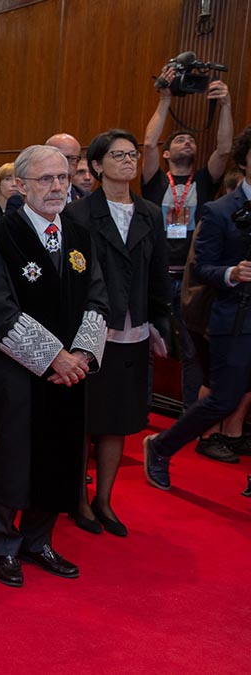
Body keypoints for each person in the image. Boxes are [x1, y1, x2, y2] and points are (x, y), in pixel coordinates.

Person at [0, 144, 108, 588]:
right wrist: (54, 357)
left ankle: (38, 538)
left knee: (60, 451)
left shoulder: (81, 235)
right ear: (21, 185)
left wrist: (81, 355)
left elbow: (98, 297)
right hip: (19, 372)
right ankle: (2, 542)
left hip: (70, 375)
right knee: (17, 454)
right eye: (45, 179)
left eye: (62, 178)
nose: (56, 187)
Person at [65, 130, 170, 537]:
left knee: (119, 420)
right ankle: (77, 498)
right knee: (85, 419)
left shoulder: (149, 213)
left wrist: (160, 322)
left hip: (134, 329)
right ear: (96, 165)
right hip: (91, 331)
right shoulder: (79, 214)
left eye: (132, 154)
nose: (128, 161)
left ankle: (104, 500)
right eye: (118, 155)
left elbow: (158, 273)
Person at [145, 126, 251, 491]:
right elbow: (202, 267)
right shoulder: (220, 210)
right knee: (223, 398)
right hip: (234, 317)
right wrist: (231, 273)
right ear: (245, 160)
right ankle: (161, 446)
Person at [142, 71, 233, 413]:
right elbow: (148, 143)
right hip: (157, 275)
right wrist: (165, 100)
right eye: (179, 140)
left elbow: (225, 148)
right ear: (166, 154)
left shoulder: (205, 181)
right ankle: (141, 407)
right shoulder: (154, 181)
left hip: (192, 278)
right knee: (145, 343)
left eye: (191, 140)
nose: (187, 142)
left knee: (193, 350)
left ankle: (189, 414)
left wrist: (225, 105)